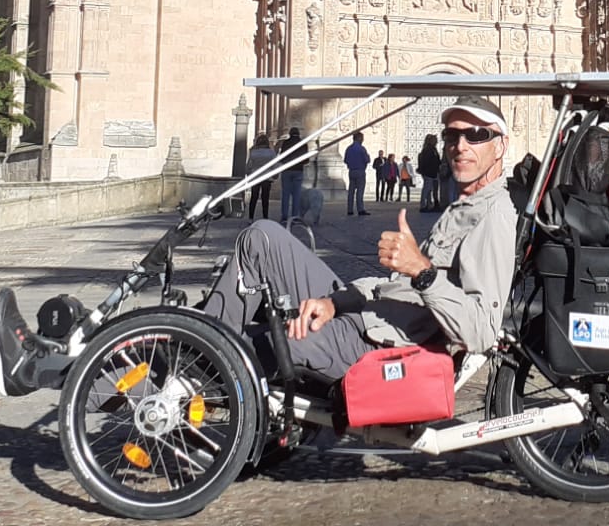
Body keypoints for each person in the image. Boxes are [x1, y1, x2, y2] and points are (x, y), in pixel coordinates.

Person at [198, 95, 519, 381]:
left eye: (477, 135)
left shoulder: (494, 216)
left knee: (259, 342)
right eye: (451, 135)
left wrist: (422, 271)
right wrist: (334, 302)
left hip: (374, 342)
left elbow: (481, 332)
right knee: (262, 237)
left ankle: (197, 365)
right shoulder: (464, 206)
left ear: (501, 146)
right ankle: (202, 344)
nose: (460, 145)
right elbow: (392, 286)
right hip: (367, 311)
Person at [278, 127, 309, 225]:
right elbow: (306, 159)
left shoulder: (286, 143)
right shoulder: (303, 143)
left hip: (287, 170)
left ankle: (284, 216)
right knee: (297, 195)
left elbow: (282, 157)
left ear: (290, 134)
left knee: (285, 194)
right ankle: (295, 216)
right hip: (298, 170)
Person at [244, 133, 277, 219]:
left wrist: (248, 174)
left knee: (254, 197)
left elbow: (249, 166)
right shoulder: (271, 152)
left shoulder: (253, 153)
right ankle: (265, 217)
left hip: (255, 177)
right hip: (267, 177)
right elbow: (274, 165)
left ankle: (251, 217)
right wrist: (275, 175)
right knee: (265, 198)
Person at [343, 130, 372, 216]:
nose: (363, 140)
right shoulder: (361, 149)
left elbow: (345, 160)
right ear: (359, 138)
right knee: (360, 191)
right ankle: (360, 209)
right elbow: (367, 160)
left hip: (351, 171)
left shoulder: (349, 148)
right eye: (362, 138)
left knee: (351, 191)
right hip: (360, 171)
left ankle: (350, 210)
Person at [416, 134, 443, 213]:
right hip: (429, 172)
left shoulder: (433, 149)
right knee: (427, 189)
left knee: (431, 189)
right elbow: (428, 162)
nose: (437, 141)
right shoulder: (428, 150)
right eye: (435, 140)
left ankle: (429, 204)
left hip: (433, 172)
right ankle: (423, 205)